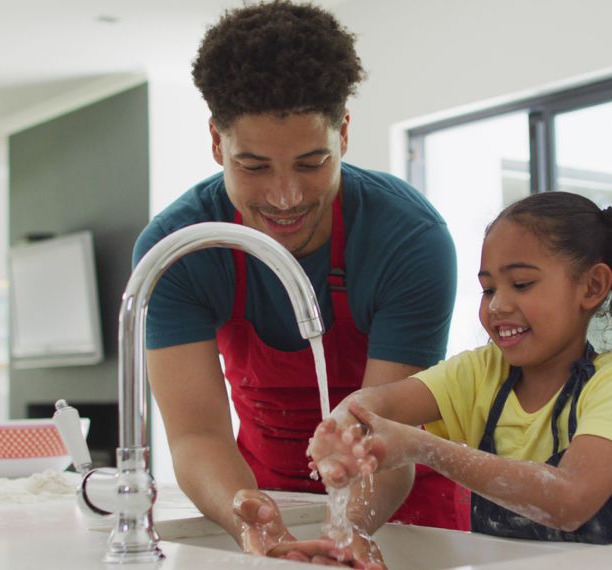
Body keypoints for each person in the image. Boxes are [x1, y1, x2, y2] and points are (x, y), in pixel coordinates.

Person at [132, 1, 463, 565]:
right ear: (217, 143)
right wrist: (250, 517)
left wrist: (348, 530)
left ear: (345, 135)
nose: (285, 197)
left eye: (311, 163)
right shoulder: (178, 251)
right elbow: (196, 436)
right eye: (254, 167)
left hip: (402, 510)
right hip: (262, 497)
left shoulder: (408, 239)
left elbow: (388, 439)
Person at [309, 191, 612, 547]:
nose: (498, 305)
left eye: (521, 284)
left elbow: (569, 500)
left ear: (592, 287)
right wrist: (343, 428)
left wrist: (422, 447)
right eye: (488, 289)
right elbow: (378, 404)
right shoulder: (481, 373)